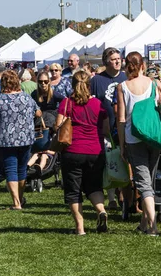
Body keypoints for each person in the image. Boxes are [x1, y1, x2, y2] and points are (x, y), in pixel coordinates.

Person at [117, 52, 161, 236]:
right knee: (149, 181)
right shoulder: (153, 83)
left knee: (144, 183)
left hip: (133, 137)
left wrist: (122, 145)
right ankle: (144, 225)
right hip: (154, 136)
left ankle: (152, 227)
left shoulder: (123, 86)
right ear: (143, 65)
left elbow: (122, 119)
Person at [56, 71, 109, 235]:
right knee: (94, 186)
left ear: (72, 84)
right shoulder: (98, 104)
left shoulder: (66, 103)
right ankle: (101, 210)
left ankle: (80, 228)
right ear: (89, 85)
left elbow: (58, 126)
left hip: (72, 150)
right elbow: (106, 129)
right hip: (95, 150)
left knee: (73, 190)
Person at [0, 70, 40, 210]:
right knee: (21, 169)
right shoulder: (26, 98)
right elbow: (38, 112)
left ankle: (16, 203)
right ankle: (19, 199)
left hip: (5, 140)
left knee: (10, 169)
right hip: (26, 139)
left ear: (3, 82)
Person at [90, 47, 128, 211]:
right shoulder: (97, 80)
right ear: (106, 62)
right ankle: (111, 198)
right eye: (113, 59)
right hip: (104, 127)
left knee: (123, 160)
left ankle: (123, 193)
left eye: (119, 58)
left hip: (123, 127)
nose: (117, 61)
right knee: (109, 162)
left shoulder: (126, 78)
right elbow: (92, 102)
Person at [29, 71, 65, 173]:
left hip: (50, 119)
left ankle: (44, 152)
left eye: (45, 81)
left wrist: (60, 113)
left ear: (49, 82)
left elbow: (64, 100)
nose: (43, 84)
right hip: (39, 120)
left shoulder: (54, 94)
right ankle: (30, 164)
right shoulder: (35, 94)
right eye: (40, 82)